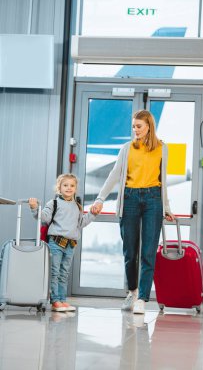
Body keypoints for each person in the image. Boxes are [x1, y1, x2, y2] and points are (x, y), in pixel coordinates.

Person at [91, 109, 175, 314]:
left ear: (149, 126)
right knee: (130, 251)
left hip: (153, 199)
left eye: (139, 126)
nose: (135, 130)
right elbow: (113, 175)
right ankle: (133, 291)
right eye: (133, 127)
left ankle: (143, 299)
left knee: (148, 252)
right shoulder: (127, 148)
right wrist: (100, 198)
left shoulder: (162, 149)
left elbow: (163, 181)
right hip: (130, 198)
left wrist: (167, 207)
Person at [29, 173, 97, 312]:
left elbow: (81, 223)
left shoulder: (77, 206)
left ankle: (62, 300)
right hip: (56, 243)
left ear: (75, 188)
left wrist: (92, 214)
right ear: (59, 187)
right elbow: (44, 218)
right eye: (65, 185)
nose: (69, 188)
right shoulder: (53, 203)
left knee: (64, 273)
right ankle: (55, 301)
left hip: (70, 244)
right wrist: (35, 208)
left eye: (72, 185)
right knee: (55, 272)